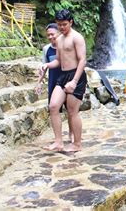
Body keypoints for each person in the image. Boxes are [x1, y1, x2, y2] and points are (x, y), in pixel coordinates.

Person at [42, 9, 87, 152]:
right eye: (59, 24)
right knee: (53, 106)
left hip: (76, 75)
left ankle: (77, 144)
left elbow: (82, 61)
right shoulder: (59, 39)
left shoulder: (77, 37)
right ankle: (58, 141)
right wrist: (47, 65)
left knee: (72, 111)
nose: (61, 27)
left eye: (64, 24)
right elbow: (58, 61)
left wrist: (74, 81)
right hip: (63, 75)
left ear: (71, 22)